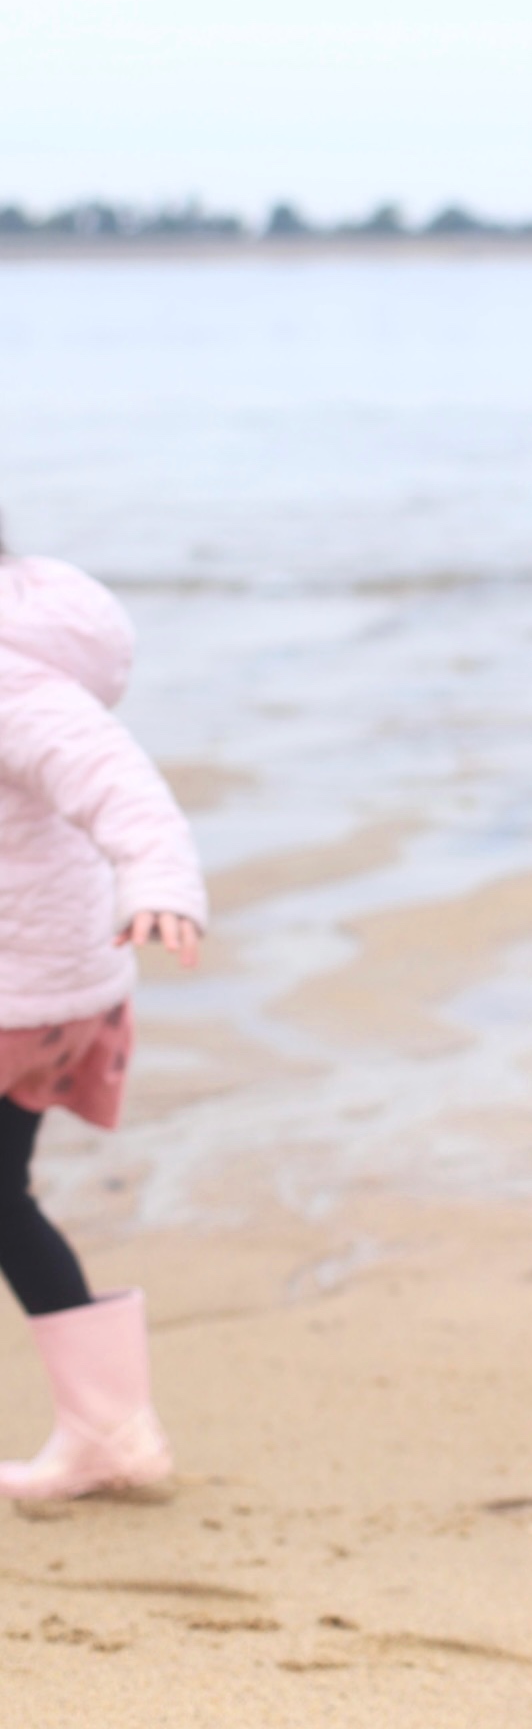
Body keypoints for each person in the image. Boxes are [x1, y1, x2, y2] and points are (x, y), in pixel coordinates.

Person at [0, 548, 206, 1500]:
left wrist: (160, 883)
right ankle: (109, 1435)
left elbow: (121, 785)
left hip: (24, 994)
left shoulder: (14, 680)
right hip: (57, 986)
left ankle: (111, 1433)